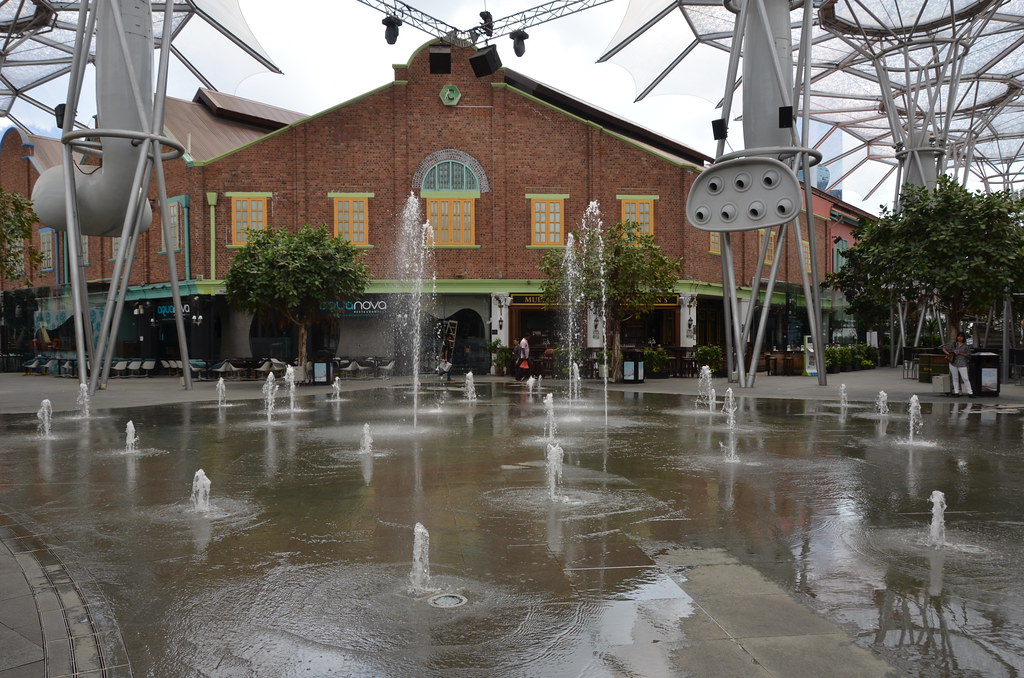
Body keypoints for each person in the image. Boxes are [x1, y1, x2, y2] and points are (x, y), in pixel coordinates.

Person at [942, 331, 974, 397]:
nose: (960, 338)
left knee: (965, 378)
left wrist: (960, 353)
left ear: (963, 338)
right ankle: (956, 392)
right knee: (955, 378)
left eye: (961, 337)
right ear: (957, 337)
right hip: (953, 362)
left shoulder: (966, 346)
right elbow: (944, 348)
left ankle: (970, 392)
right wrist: (948, 354)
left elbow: (969, 355)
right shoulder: (953, 344)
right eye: (959, 336)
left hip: (962, 363)